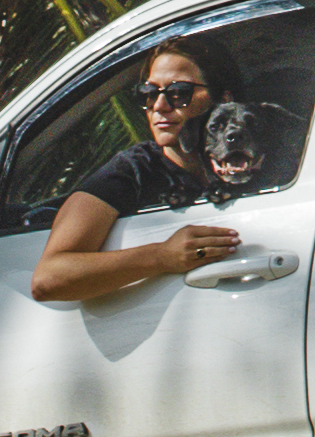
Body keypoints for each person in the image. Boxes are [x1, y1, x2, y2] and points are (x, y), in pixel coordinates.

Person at [32, 36, 249, 302]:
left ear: (224, 98)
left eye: (178, 92)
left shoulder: (263, 155)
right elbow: (48, 278)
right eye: (149, 93)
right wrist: (161, 256)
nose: (159, 106)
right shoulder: (134, 170)